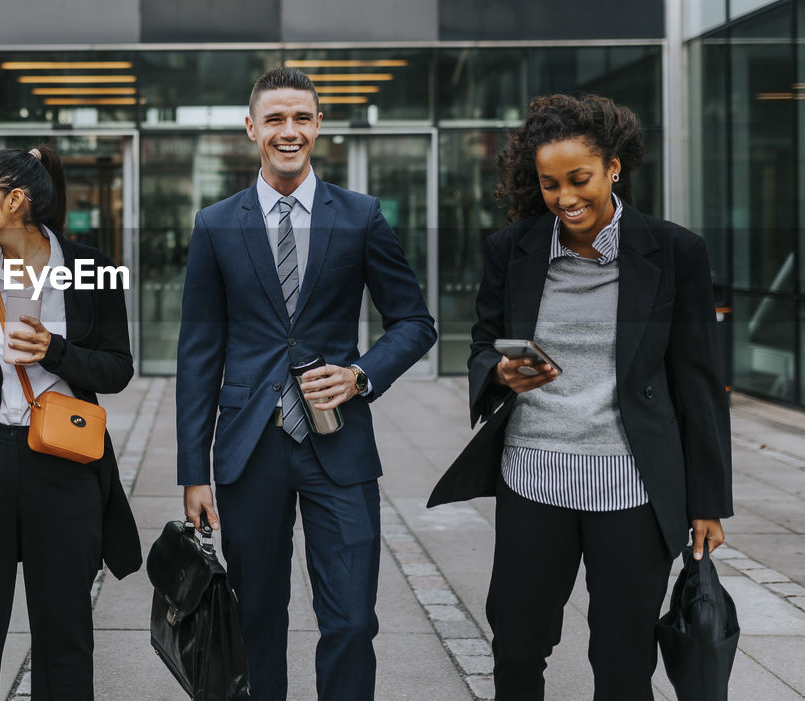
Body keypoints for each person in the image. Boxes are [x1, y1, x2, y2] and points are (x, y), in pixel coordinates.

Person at [429, 94, 733, 700]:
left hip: (631, 487)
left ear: (614, 168)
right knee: (516, 647)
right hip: (532, 477)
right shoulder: (511, 250)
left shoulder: (675, 252)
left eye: (579, 180)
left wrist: (708, 502)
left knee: (622, 663)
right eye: (549, 185)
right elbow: (483, 345)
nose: (565, 198)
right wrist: (499, 373)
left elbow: (699, 381)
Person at [176, 67, 437, 701]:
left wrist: (361, 375)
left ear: (318, 126)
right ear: (251, 128)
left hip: (338, 447)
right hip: (250, 449)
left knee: (351, 619)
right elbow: (199, 353)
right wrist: (193, 472)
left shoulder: (361, 216)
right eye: (274, 119)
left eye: (300, 118)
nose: (287, 131)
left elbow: (415, 321)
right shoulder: (214, 225)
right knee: (256, 619)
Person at [0, 146, 141, 701]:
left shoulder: (89, 266)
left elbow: (117, 369)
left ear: (15, 201)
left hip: (63, 461)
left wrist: (55, 352)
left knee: (64, 632)